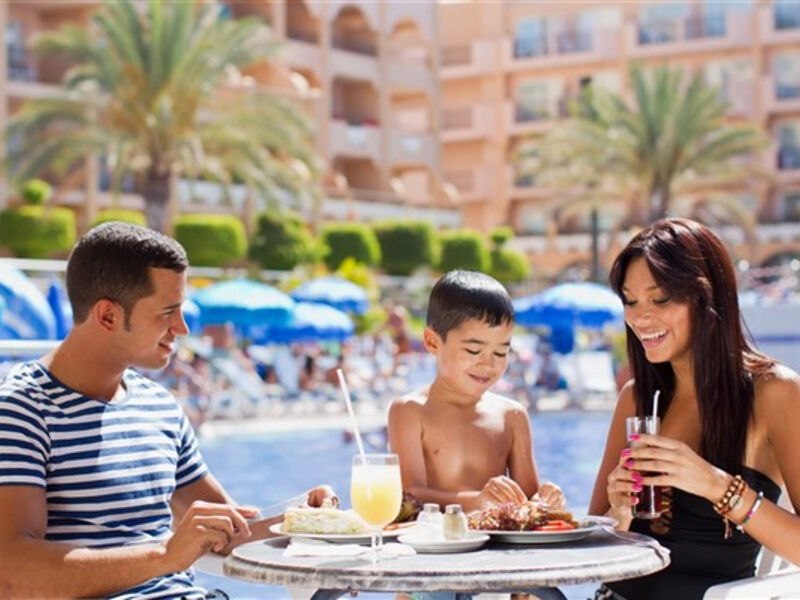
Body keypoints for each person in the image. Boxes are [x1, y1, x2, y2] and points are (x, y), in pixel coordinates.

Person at [0, 222, 335, 599]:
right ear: (108, 316)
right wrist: (164, 555)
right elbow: (12, 574)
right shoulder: (20, 410)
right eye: (168, 313)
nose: (183, 328)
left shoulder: (157, 405)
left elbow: (227, 533)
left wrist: (303, 519)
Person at [588, 218, 800, 600]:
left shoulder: (774, 393)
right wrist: (617, 513)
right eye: (630, 301)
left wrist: (716, 485)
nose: (639, 317)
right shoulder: (637, 399)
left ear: (707, 296)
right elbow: (594, 551)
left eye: (660, 299)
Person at [388, 270, 564, 513]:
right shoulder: (410, 411)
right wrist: (478, 501)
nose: (488, 364)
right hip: (435, 546)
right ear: (432, 342)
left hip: (496, 548)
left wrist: (545, 500)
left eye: (501, 353)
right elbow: (410, 495)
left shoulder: (512, 416)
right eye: (473, 351)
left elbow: (529, 503)